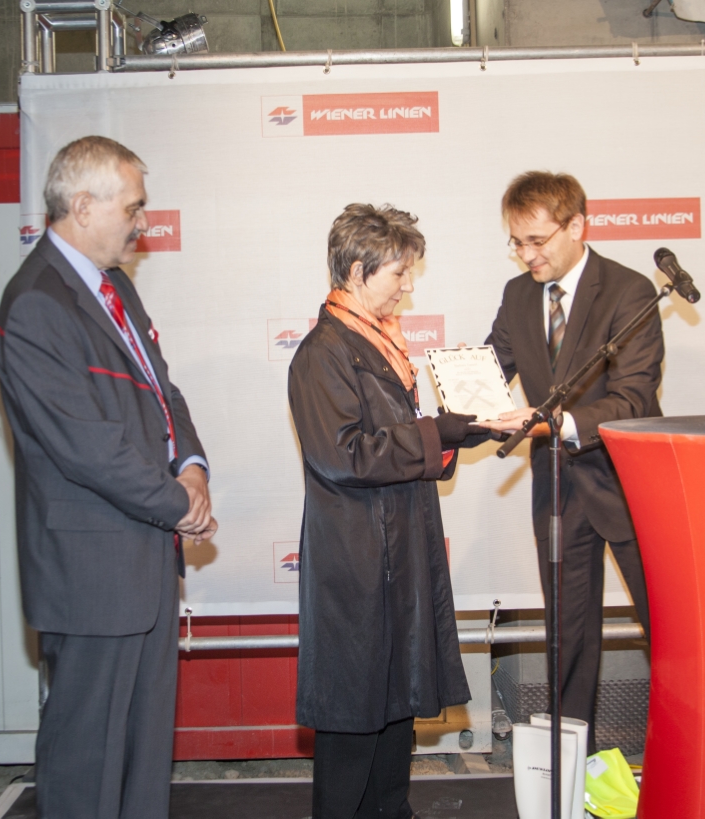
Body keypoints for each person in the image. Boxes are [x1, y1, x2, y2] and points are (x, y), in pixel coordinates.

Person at [0, 136, 216, 819]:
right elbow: (86, 447)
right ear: (83, 205)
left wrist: (192, 465)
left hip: (143, 564)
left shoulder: (114, 288)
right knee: (87, 767)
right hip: (91, 576)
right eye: (134, 206)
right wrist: (177, 503)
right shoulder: (36, 303)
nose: (143, 223)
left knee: (142, 764)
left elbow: (162, 393)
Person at [288, 203, 487, 819]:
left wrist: (451, 435)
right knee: (354, 715)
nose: (408, 287)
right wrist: (437, 432)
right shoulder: (322, 353)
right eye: (398, 273)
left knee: (396, 705)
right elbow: (343, 455)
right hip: (357, 561)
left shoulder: (378, 345)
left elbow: (397, 445)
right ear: (356, 271)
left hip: (398, 554)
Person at [477, 171, 664, 751]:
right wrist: (451, 398)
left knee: (671, 629)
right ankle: (568, 767)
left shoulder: (630, 292)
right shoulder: (516, 294)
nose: (526, 255)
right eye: (516, 242)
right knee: (567, 639)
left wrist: (559, 421)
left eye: (537, 241)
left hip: (629, 485)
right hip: (557, 487)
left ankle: (689, 753)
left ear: (578, 225)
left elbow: (634, 397)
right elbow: (491, 367)